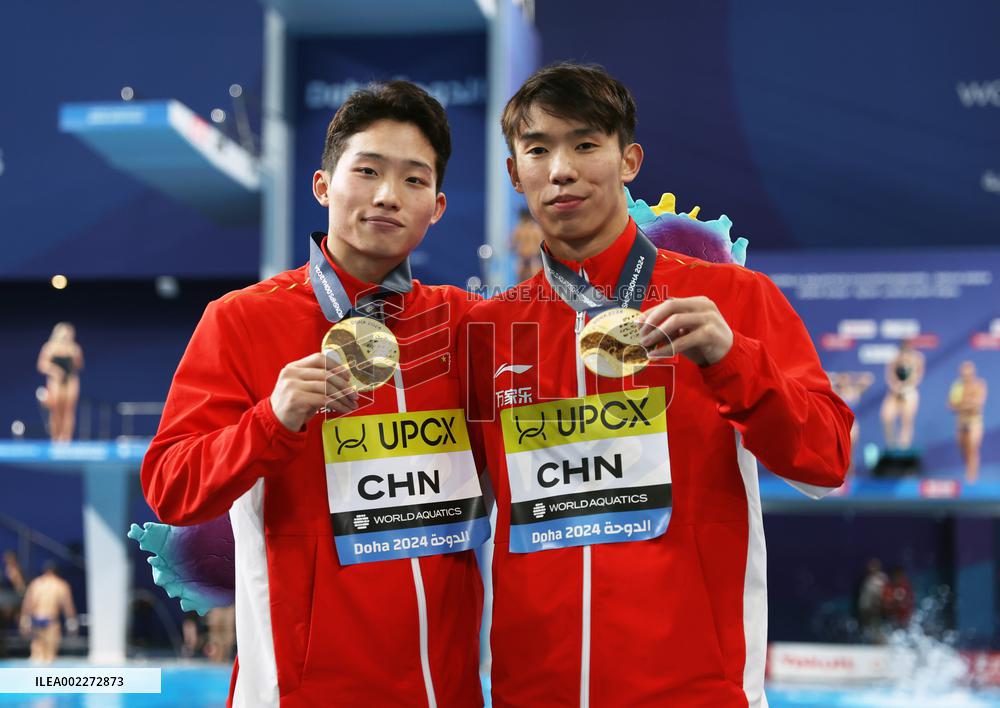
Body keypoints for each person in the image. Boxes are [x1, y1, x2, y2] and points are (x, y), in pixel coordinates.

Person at [460, 62, 853, 706]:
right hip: (533, 691)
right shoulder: (490, 328)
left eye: (586, 144)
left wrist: (732, 359)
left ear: (629, 160)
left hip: (694, 688)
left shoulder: (731, 298)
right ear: (514, 173)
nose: (561, 169)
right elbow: (446, 508)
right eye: (538, 149)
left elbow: (826, 461)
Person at [141, 81, 488, 707]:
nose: (387, 195)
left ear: (436, 207)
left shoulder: (465, 324)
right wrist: (271, 419)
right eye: (368, 171)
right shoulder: (241, 320)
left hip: (443, 692)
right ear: (324, 186)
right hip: (295, 691)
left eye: (413, 180)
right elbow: (170, 486)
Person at [19, 562, 78, 664]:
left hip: (37, 621)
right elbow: (68, 605)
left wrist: (24, 619)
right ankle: (44, 678)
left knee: (36, 655)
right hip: (51, 622)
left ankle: (35, 677)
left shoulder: (36, 583)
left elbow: (28, 603)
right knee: (50, 656)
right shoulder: (60, 585)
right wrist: (71, 621)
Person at [36, 322, 84, 442]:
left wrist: (75, 356)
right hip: (55, 382)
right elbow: (42, 365)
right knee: (56, 410)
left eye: (68, 335)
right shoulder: (49, 347)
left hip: (70, 380)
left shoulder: (74, 348)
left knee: (68, 411)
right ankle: (56, 438)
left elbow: (79, 366)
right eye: (64, 335)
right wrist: (54, 370)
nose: (66, 337)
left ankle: (66, 439)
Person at [948, 360, 988, 482]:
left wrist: (961, 405)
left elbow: (977, 404)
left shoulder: (979, 384)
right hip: (961, 422)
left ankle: (971, 478)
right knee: (964, 450)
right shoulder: (957, 386)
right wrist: (966, 404)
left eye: (968, 373)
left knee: (972, 447)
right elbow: (951, 405)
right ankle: (969, 472)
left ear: (973, 373)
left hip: (975, 421)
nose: (966, 376)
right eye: (963, 374)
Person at [881, 339, 924, 449]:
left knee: (907, 418)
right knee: (886, 416)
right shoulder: (894, 358)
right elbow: (889, 375)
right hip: (894, 391)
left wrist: (906, 388)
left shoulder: (918, 358)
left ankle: (904, 448)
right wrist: (896, 387)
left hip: (909, 391)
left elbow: (918, 376)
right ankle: (891, 445)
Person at [831, 371, 875, 474]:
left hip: (851, 426)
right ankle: (838, 476)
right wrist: (838, 377)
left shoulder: (855, 391)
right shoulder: (835, 391)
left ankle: (849, 477)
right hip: (838, 425)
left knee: (849, 455)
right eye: (842, 380)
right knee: (837, 454)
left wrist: (851, 376)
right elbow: (826, 377)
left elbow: (869, 377)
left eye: (845, 380)